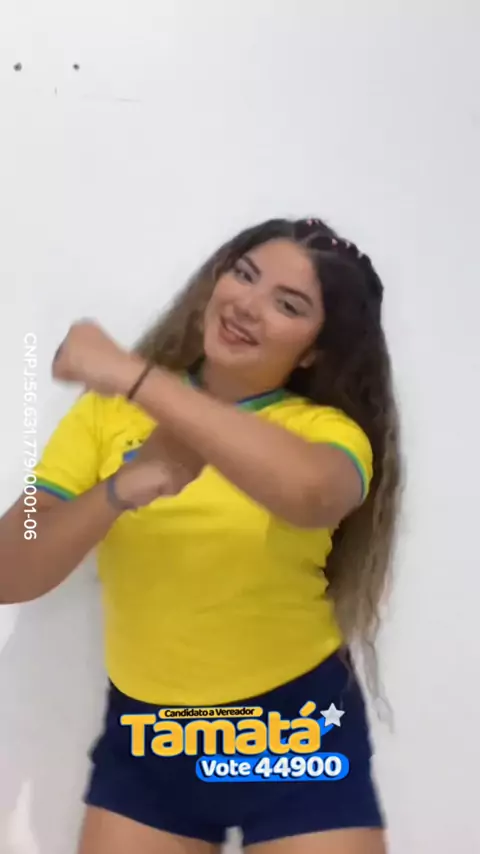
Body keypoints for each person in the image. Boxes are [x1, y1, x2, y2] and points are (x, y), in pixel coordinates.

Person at [0, 217, 401, 854]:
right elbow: (11, 566)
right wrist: (117, 491)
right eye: (244, 274)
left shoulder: (325, 432)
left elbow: (312, 495)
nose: (247, 305)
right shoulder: (105, 414)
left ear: (314, 352)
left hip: (291, 733)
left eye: (288, 305)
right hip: (151, 737)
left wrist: (133, 375)